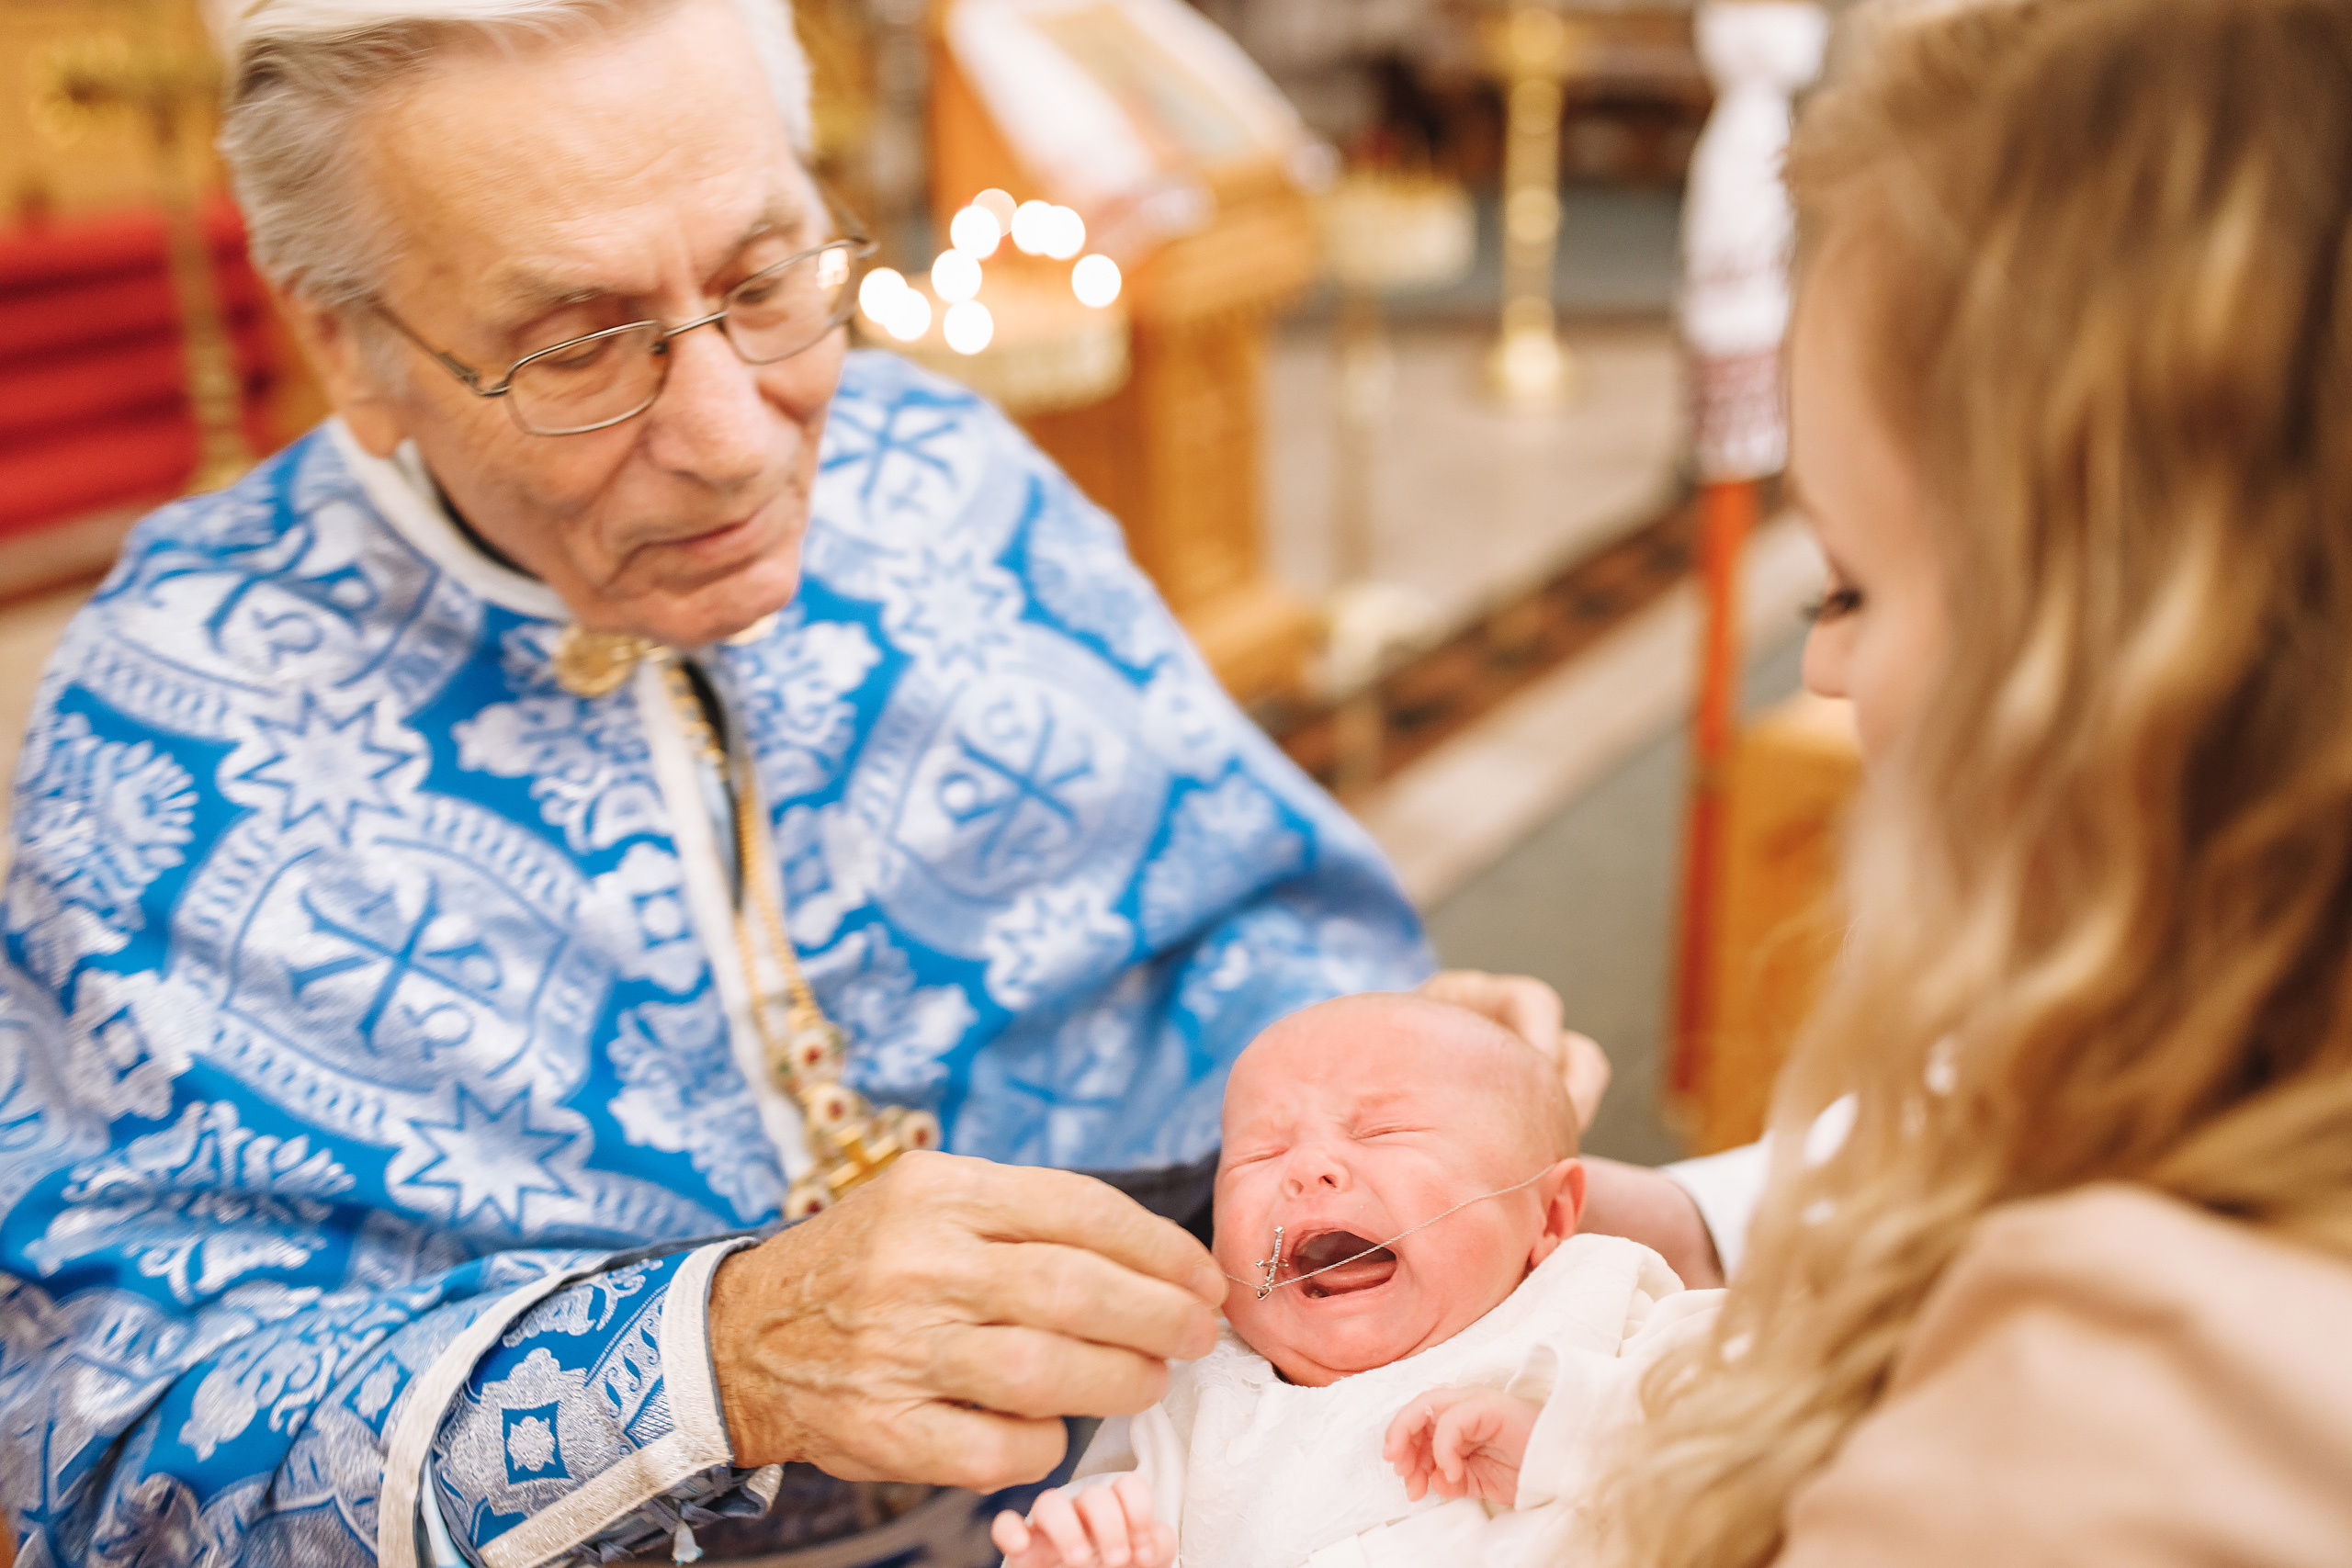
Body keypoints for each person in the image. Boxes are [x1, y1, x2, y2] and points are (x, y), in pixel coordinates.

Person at [0, 4, 1600, 1564]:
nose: (732, 438)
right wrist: (711, 1359)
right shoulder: (175, 712)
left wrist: (1397, 1070)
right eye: (575, 345)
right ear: (348, 340)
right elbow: (114, 1450)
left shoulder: (946, 475)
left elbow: (1255, 924)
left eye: (765, 281)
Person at [1589, 2, 2352, 1563]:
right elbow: (1939, 1121)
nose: (1822, 671)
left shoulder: (2121, 1418)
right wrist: (1695, 1225)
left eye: (1852, 583)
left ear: (2120, 656)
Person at [990, 995, 1715, 1568]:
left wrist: (1573, 1437)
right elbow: (1108, 1523)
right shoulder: (1187, 1395)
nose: (1307, 1168)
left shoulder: (1612, 1307)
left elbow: (1762, 1442)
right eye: (1259, 1153)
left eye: (1383, 1132)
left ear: (1550, 1213)